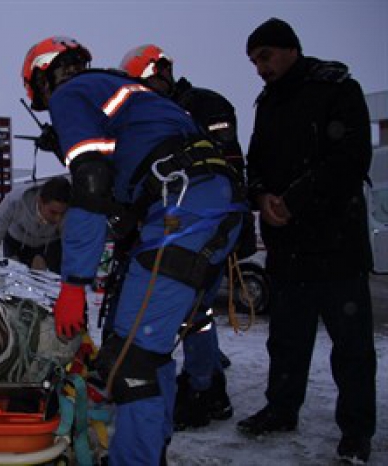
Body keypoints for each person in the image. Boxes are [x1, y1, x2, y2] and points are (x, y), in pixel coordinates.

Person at [21, 36, 245, 465]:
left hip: (183, 209)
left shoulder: (70, 93)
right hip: (212, 203)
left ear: (43, 78)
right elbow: (128, 176)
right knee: (146, 349)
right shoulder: (126, 92)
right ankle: (147, 450)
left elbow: (89, 181)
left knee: (130, 364)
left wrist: (74, 284)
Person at [236, 18, 376, 465]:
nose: (259, 67)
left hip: (337, 244)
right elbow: (254, 160)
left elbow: (351, 158)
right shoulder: (267, 102)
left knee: (352, 348)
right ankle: (281, 409)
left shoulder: (336, 87)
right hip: (288, 246)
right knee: (287, 338)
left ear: (289, 49)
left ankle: (356, 432)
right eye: (253, 60)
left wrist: (293, 200)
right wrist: (260, 196)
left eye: (265, 56)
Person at [119, 43, 254, 431]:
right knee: (195, 315)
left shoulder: (200, 106)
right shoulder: (167, 112)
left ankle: (203, 389)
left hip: (202, 226)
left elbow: (226, 165)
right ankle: (205, 386)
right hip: (184, 225)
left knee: (194, 315)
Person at [0, 176, 71, 273]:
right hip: (17, 241)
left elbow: (74, 247)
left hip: (51, 243)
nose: (58, 218)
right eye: (53, 212)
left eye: (62, 213)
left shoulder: (71, 213)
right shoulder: (14, 201)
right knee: (14, 276)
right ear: (40, 201)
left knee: (55, 278)